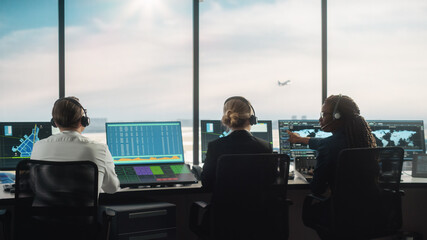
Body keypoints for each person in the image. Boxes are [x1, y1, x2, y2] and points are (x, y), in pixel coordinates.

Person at [287, 94, 376, 195]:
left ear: (337, 116)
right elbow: (322, 143)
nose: (320, 119)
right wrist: (299, 139)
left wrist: (317, 174)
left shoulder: (328, 146)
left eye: (324, 115)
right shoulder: (365, 142)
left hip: (340, 208)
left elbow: (317, 189)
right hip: (370, 207)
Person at [31, 96, 120, 194]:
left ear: (54, 122)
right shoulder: (100, 149)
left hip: (43, 209)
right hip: (84, 210)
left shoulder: (38, 147)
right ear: (83, 121)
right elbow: (112, 188)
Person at [201, 96, 273, 191]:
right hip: (256, 205)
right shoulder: (265, 146)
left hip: (225, 205)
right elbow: (272, 179)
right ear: (252, 119)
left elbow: (207, 183)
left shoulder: (215, 146)